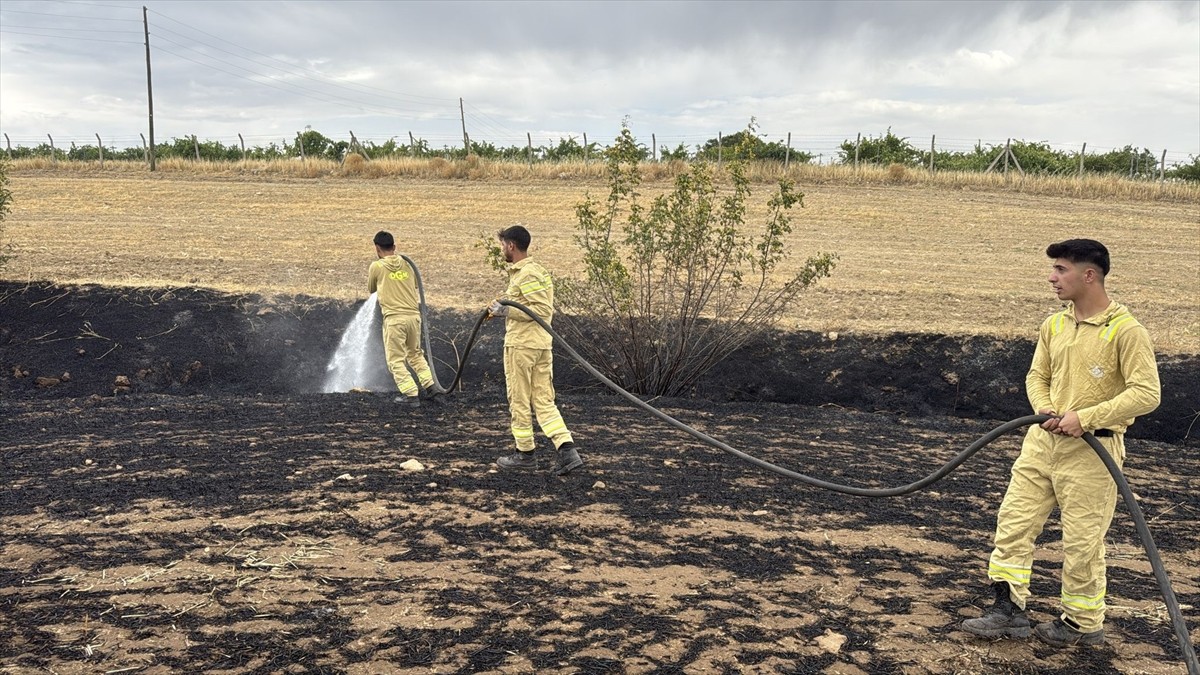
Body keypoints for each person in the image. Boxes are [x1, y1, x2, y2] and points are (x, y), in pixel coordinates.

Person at [962, 239, 1161, 647]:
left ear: (1089, 275)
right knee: (1012, 524)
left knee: (1083, 541)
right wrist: (1047, 410)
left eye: (1061, 269)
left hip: (1094, 452)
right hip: (1041, 444)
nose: (1051, 277)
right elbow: (1037, 376)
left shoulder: (1125, 331)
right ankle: (1008, 609)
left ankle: (1082, 623)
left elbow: (1147, 393)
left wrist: (1085, 418)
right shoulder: (1054, 325)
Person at [487, 225, 583, 475]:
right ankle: (567, 451)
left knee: (519, 398)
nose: (502, 250)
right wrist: (502, 308)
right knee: (543, 400)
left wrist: (505, 310)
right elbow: (531, 305)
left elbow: (539, 311)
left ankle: (525, 454)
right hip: (539, 345)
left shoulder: (527, 274)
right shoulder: (534, 271)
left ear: (511, 245)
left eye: (503, 245)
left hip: (523, 346)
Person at [367, 230, 437, 408]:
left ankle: (411, 395)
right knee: (415, 354)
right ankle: (431, 387)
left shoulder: (377, 266)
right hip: (414, 317)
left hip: (395, 320)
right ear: (394, 247)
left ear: (377, 248)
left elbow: (371, 289)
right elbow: (414, 285)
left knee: (395, 360)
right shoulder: (408, 264)